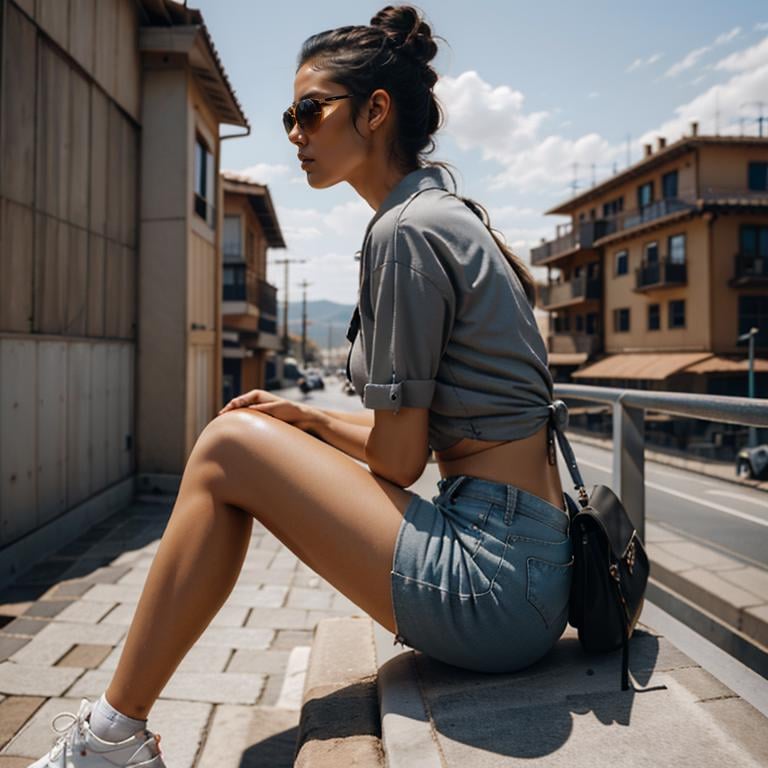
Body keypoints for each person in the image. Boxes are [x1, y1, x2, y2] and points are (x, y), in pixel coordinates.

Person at [28, 6, 572, 767]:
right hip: (529, 568)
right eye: (289, 115)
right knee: (244, 444)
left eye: (310, 112)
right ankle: (115, 733)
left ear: (375, 111)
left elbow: (398, 459)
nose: (294, 133)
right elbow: (407, 447)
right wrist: (301, 418)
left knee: (223, 449)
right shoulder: (446, 212)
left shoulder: (405, 232)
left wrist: (304, 425)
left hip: (497, 585)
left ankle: (110, 738)